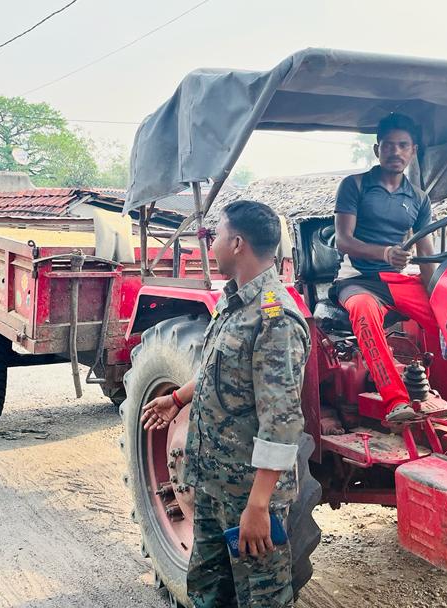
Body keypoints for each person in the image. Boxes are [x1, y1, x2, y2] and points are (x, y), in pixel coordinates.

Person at [141, 200, 309, 608]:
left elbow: (281, 423)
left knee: (260, 598)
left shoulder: (274, 318)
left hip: (249, 496)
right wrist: (178, 397)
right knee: (208, 592)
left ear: (236, 243)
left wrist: (258, 506)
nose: (210, 244)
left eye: (215, 235)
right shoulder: (234, 304)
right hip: (215, 487)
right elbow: (223, 371)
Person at [332, 112, 436, 423]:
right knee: (363, 308)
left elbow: (426, 252)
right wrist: (385, 253)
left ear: (413, 151)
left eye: (403, 145)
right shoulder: (356, 186)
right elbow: (343, 240)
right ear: (378, 150)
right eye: (389, 146)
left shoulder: (419, 198)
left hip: (396, 280)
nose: (396, 152)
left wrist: (437, 296)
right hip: (357, 279)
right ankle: (396, 402)